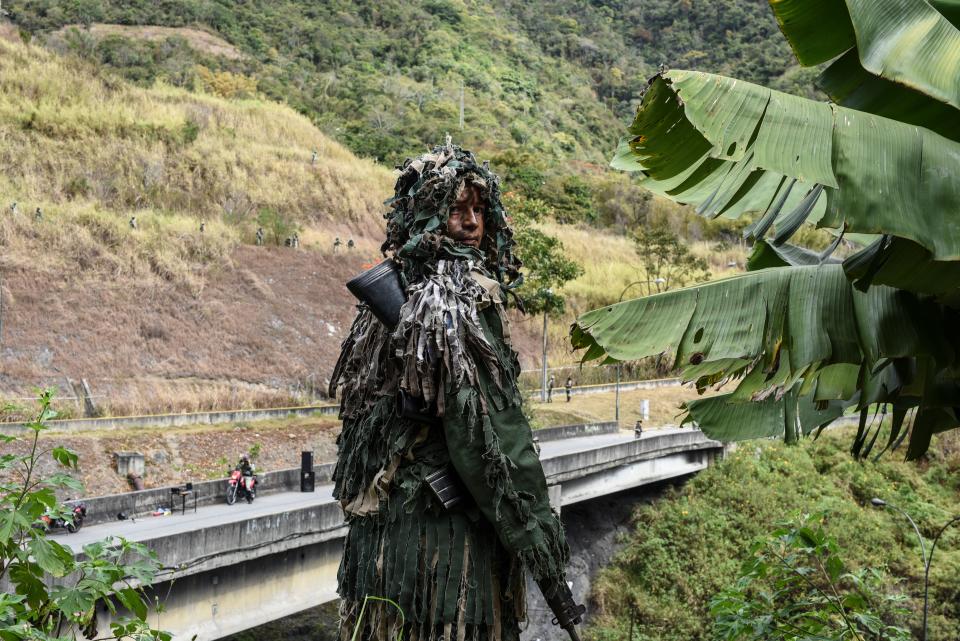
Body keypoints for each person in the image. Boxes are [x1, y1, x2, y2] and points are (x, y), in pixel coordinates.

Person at [330, 142, 582, 641]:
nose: (471, 223)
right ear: (426, 214)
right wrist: (541, 549)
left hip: (379, 545)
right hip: (442, 550)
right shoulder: (459, 298)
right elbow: (490, 442)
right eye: (455, 209)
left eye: (479, 210)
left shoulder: (382, 307)